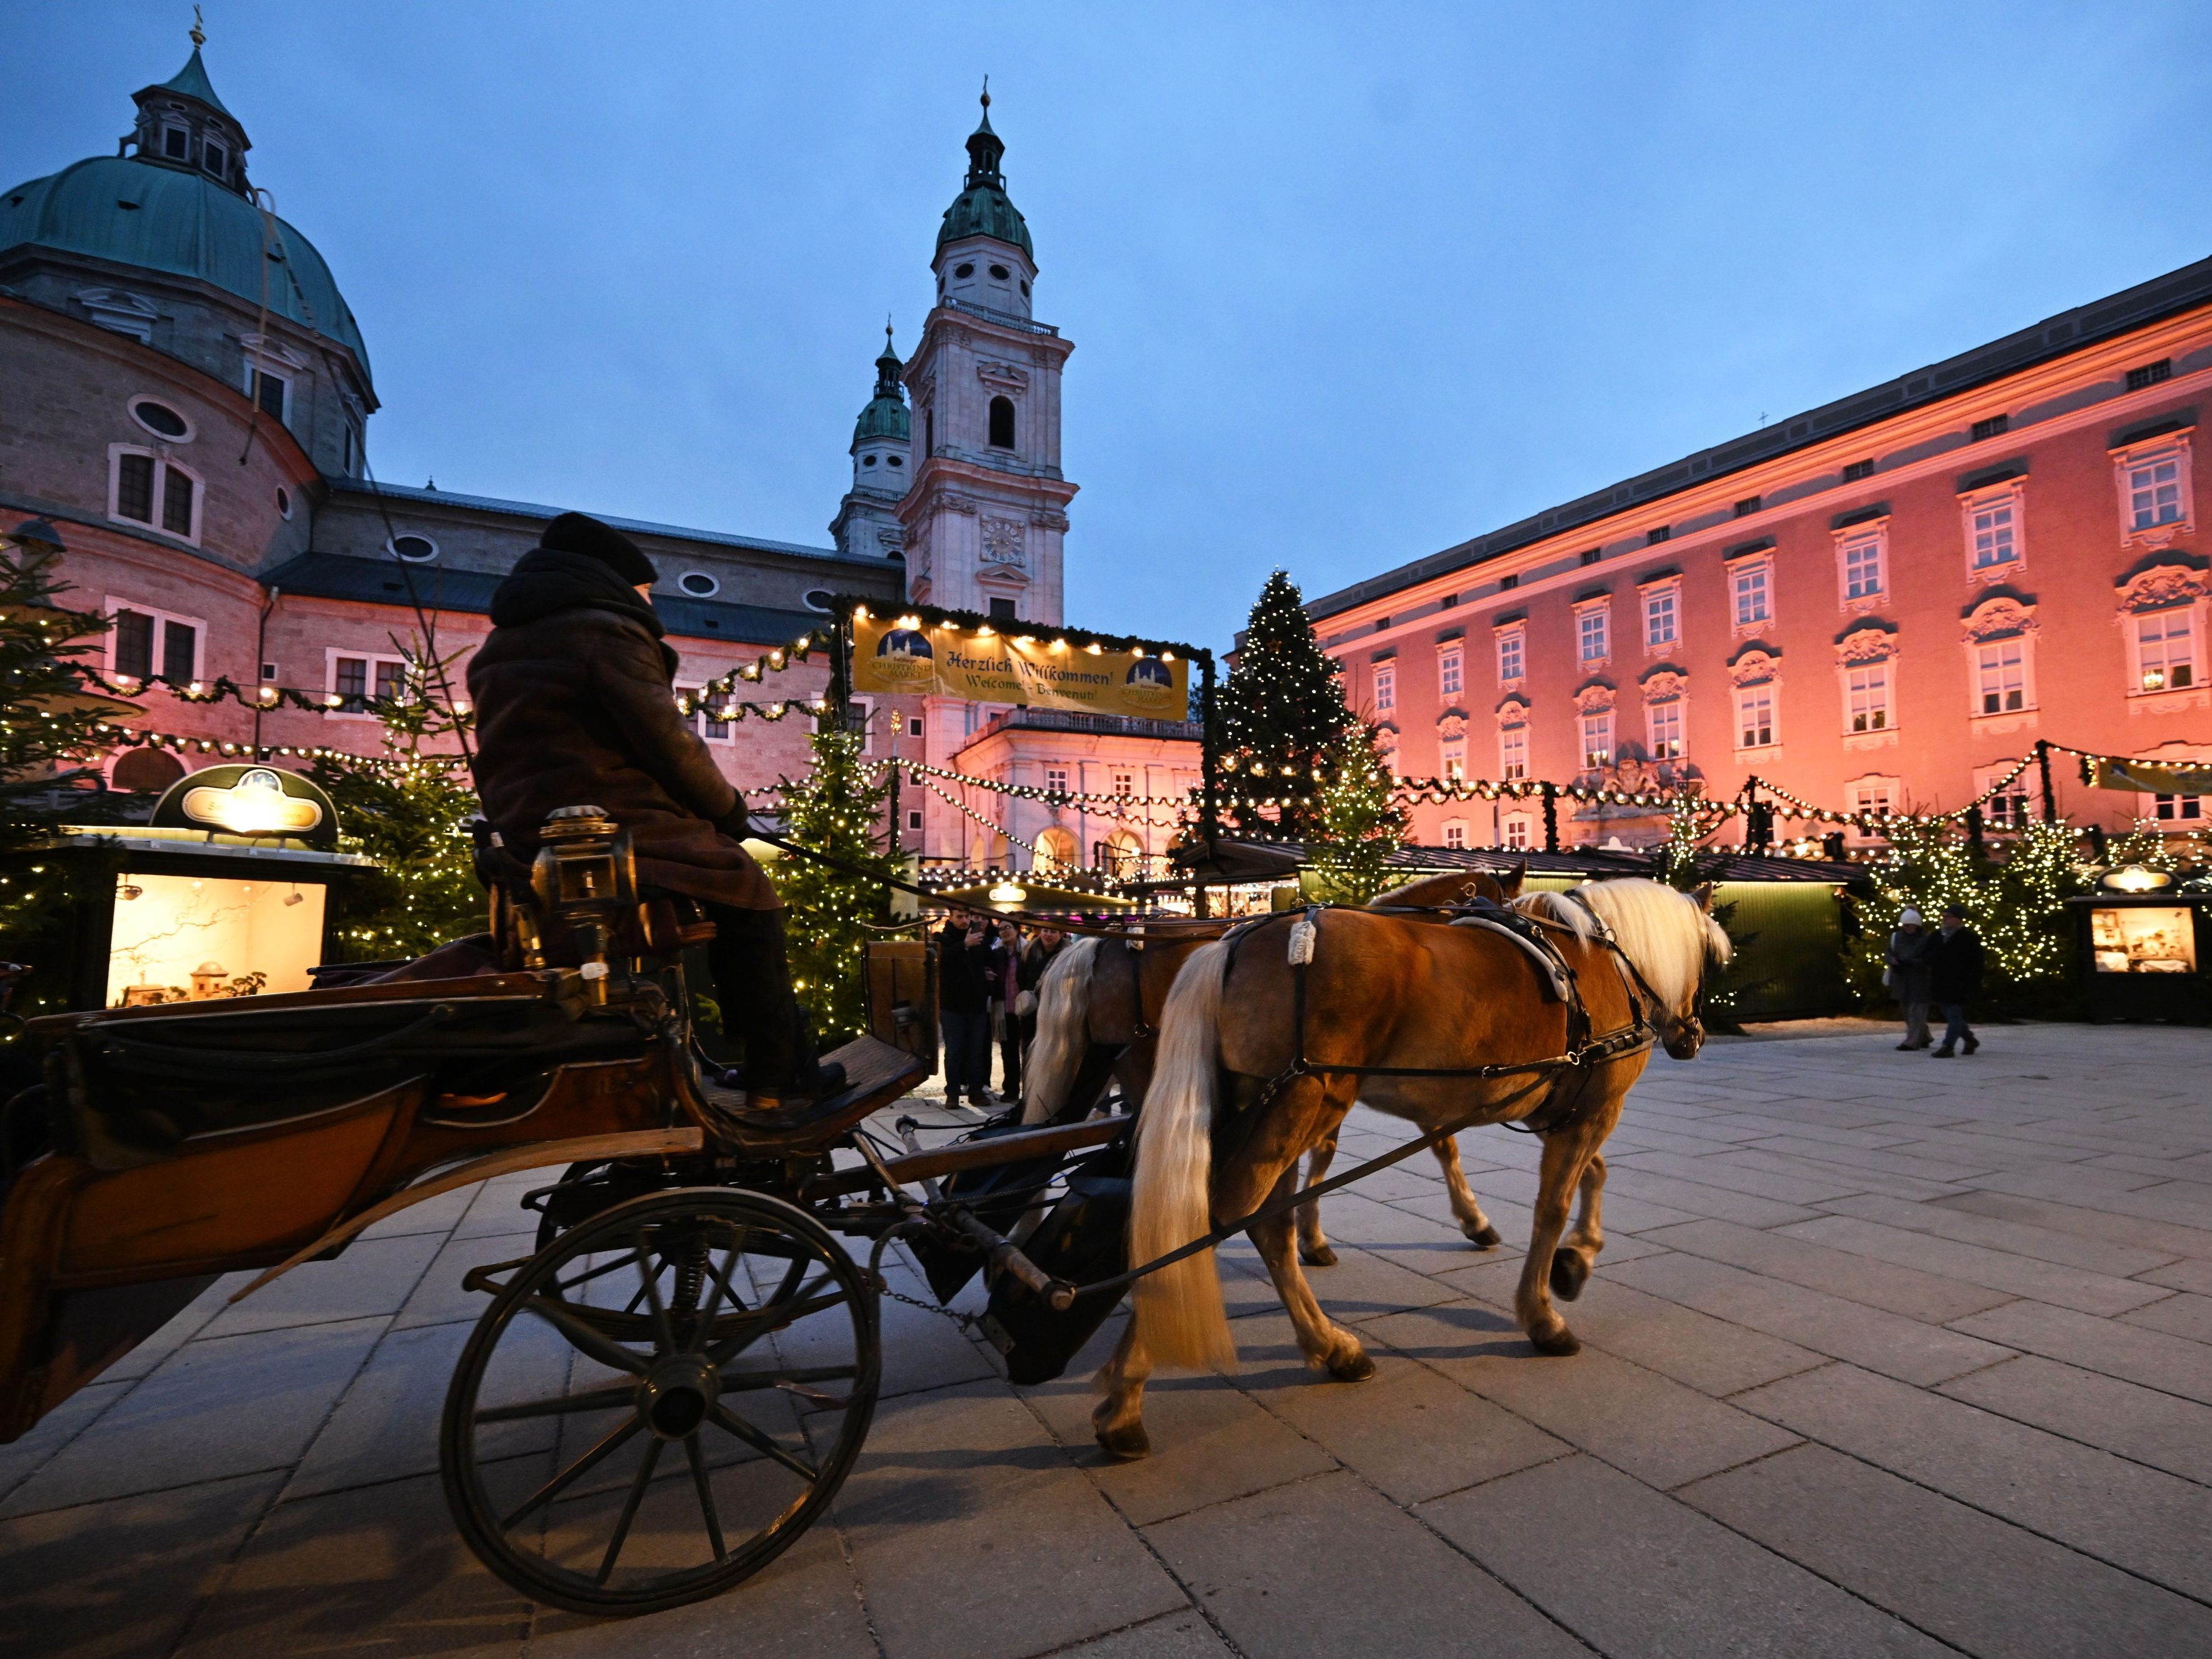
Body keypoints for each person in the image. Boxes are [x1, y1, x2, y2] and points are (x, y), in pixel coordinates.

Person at [467, 512, 842, 1110]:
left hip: (528, 834)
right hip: (607, 824)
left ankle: (746, 1060)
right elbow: (667, 742)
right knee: (747, 889)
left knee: (730, 884)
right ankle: (775, 1073)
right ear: (614, 580)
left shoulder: (499, 647)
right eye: (645, 589)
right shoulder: (605, 630)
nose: (648, 601)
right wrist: (730, 814)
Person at [936, 908, 1004, 1108]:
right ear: (951, 918)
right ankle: (953, 1094)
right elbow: (943, 960)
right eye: (960, 917)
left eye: (967, 917)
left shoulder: (979, 939)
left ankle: (976, 1091)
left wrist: (987, 975)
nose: (965, 920)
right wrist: (964, 945)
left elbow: (990, 963)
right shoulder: (943, 939)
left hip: (976, 1006)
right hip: (952, 1007)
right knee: (954, 1052)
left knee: (976, 1052)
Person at [1928, 902, 1984, 1058]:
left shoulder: (1969, 939)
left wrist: (1975, 984)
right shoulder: (1936, 936)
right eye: (1944, 916)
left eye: (1949, 916)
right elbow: (1927, 955)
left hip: (1960, 983)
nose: (1945, 919)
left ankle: (1948, 1046)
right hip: (1940, 982)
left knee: (1954, 1014)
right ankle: (1970, 1039)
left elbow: (1977, 964)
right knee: (1951, 1014)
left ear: (1959, 919)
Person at [1886, 908, 1935, 1050]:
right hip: (1902, 979)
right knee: (1908, 1012)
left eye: (1909, 925)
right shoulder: (1896, 937)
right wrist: (1892, 960)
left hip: (1919, 980)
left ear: (1917, 925)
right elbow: (1889, 952)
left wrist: (1909, 962)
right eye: (1905, 925)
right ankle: (1924, 1037)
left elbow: (1928, 959)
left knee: (1916, 1012)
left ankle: (1912, 1042)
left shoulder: (1925, 940)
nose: (1907, 928)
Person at [993, 920, 1025, 1105]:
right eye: (1001, 929)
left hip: (1026, 1009)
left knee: (1029, 1051)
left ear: (1017, 930)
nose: (1004, 932)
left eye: (1008, 928)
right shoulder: (997, 953)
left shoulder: (1028, 951)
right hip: (1005, 1009)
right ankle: (1011, 1089)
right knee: (1009, 1052)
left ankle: (1030, 1089)